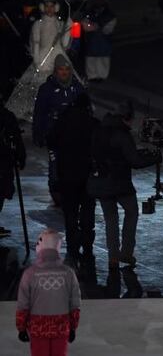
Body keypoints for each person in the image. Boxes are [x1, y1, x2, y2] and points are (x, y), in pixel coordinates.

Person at [88, 100, 161, 268]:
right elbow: (134, 161)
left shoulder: (99, 130)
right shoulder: (122, 134)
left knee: (110, 219)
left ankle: (112, 256)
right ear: (125, 118)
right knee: (132, 212)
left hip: (102, 182)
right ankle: (126, 253)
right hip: (120, 183)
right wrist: (154, 158)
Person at [47, 93, 98, 263]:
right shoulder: (92, 123)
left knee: (70, 212)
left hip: (67, 173)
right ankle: (87, 244)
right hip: (87, 173)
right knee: (88, 210)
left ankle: (72, 246)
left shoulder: (63, 120)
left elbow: (51, 140)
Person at [15, 229, 81, 356]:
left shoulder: (30, 274)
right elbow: (75, 303)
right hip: (61, 326)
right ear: (58, 246)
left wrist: (21, 327)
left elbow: (23, 304)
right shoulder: (68, 273)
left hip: (37, 326)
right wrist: (73, 326)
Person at [32, 54, 85, 204]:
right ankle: (57, 194)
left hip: (74, 136)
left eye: (67, 69)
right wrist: (38, 133)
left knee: (74, 166)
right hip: (54, 136)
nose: (64, 72)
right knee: (55, 166)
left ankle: (72, 192)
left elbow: (85, 111)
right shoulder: (47, 89)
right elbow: (39, 112)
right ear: (56, 70)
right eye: (61, 69)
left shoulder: (77, 88)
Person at [0, 99, 25, 237]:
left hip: (4, 160)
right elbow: (17, 139)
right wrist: (21, 157)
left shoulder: (7, 116)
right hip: (4, 161)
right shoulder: (7, 116)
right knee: (1, 191)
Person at [80, 0, 117, 82]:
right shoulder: (89, 14)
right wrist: (94, 27)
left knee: (103, 59)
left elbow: (108, 29)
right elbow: (85, 26)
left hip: (104, 41)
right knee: (91, 59)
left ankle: (102, 76)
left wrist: (96, 26)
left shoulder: (109, 15)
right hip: (92, 41)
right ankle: (92, 76)